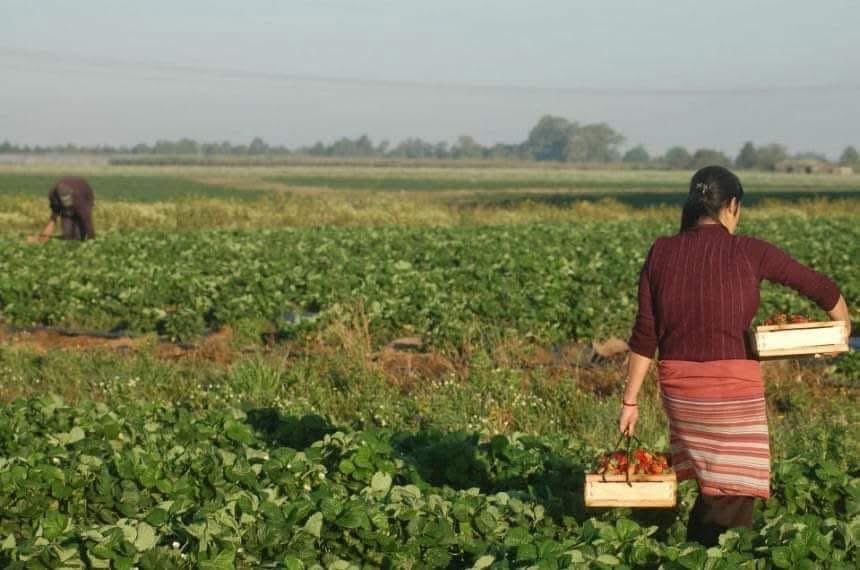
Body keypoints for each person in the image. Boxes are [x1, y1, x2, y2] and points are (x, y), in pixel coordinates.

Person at [617, 165, 850, 546]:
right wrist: (842, 333)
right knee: (734, 491)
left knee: (716, 488)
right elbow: (822, 288)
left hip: (681, 391)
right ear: (732, 206)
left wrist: (630, 401)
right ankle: (709, 554)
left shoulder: (662, 251)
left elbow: (646, 334)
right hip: (732, 393)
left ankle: (697, 552)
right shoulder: (748, 250)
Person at [34, 176, 96, 242]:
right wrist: (45, 234)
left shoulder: (79, 198)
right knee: (67, 233)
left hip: (85, 196)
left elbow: (87, 219)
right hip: (65, 204)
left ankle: (80, 238)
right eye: (64, 202)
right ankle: (68, 240)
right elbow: (54, 213)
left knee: (79, 233)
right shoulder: (53, 194)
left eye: (68, 202)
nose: (67, 205)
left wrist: (91, 237)